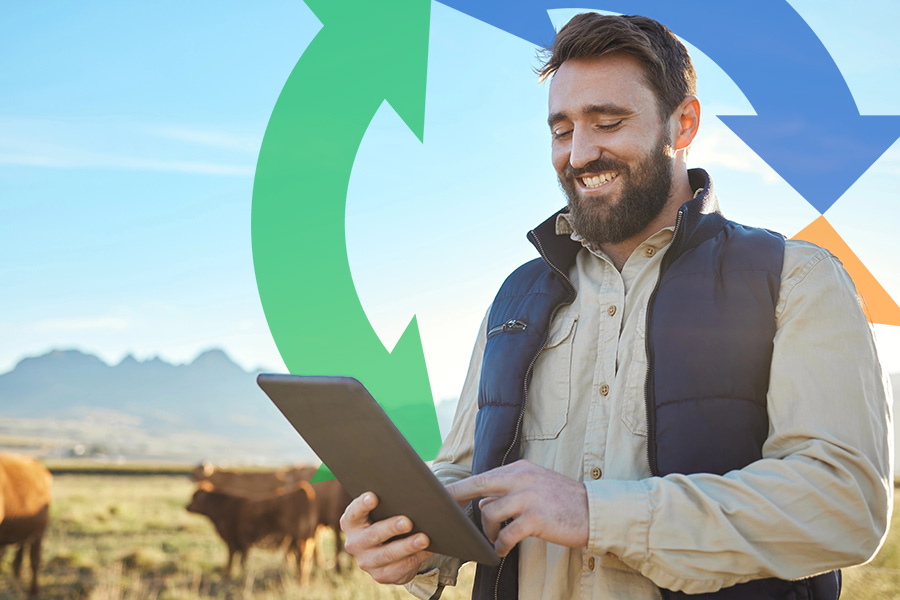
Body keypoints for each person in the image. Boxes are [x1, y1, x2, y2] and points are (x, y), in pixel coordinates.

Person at [340, 12, 893, 600]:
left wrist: (593, 512)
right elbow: (465, 477)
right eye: (561, 130)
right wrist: (409, 536)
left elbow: (845, 503)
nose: (579, 154)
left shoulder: (798, 280)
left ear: (683, 125)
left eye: (607, 122)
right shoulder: (514, 298)